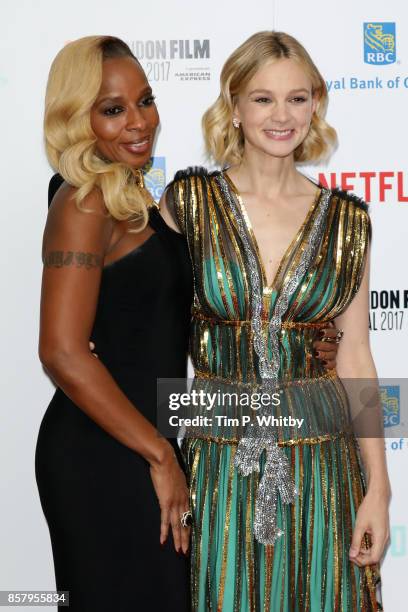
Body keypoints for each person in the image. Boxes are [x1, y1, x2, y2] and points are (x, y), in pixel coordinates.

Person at [161, 31, 390, 611]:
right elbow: (143, 316)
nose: (281, 115)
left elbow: (357, 355)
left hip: (322, 458)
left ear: (315, 104)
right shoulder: (187, 203)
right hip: (218, 454)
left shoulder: (348, 221)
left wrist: (381, 489)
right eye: (263, 99)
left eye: (297, 97)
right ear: (234, 107)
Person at [35, 36, 193, 611]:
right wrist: (159, 455)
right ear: (78, 120)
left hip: (144, 445)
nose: (139, 121)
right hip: (108, 457)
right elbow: (61, 351)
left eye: (144, 100)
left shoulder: (128, 196)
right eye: (113, 108)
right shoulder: (84, 203)